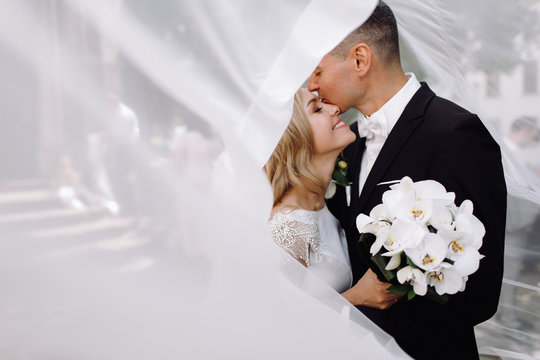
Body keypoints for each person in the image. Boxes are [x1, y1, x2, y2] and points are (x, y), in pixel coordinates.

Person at [307, 1, 507, 359]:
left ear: (360, 60)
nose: (312, 84)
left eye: (318, 71)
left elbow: (481, 294)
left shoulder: (455, 134)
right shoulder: (346, 144)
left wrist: (405, 280)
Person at [265, 87, 402, 305]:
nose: (334, 108)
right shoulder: (289, 227)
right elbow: (276, 318)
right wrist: (356, 297)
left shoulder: (321, 205)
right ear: (296, 139)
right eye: (317, 108)